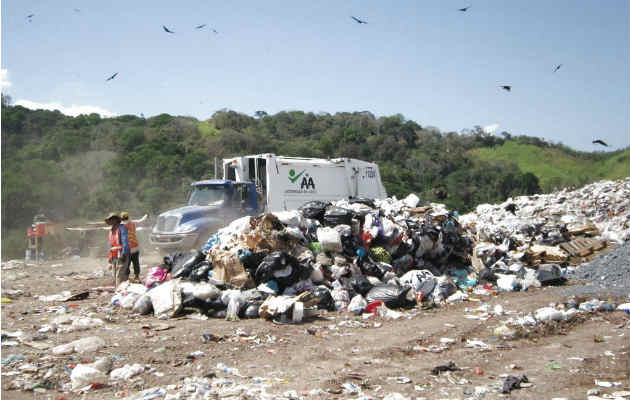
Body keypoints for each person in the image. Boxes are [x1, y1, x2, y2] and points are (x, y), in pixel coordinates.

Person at [104, 212, 130, 286]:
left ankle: (119, 291)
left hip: (121, 254)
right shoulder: (111, 230)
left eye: (111, 219)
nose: (110, 222)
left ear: (115, 220)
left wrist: (123, 254)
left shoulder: (122, 228)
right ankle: (121, 290)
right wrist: (109, 258)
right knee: (115, 275)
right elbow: (110, 245)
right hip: (113, 256)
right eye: (109, 220)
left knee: (120, 275)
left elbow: (125, 241)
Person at [120, 211, 141, 283]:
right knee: (136, 263)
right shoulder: (132, 224)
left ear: (121, 218)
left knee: (127, 264)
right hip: (135, 247)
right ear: (128, 217)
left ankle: (127, 278)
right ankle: (137, 276)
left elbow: (122, 238)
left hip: (128, 248)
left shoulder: (122, 226)